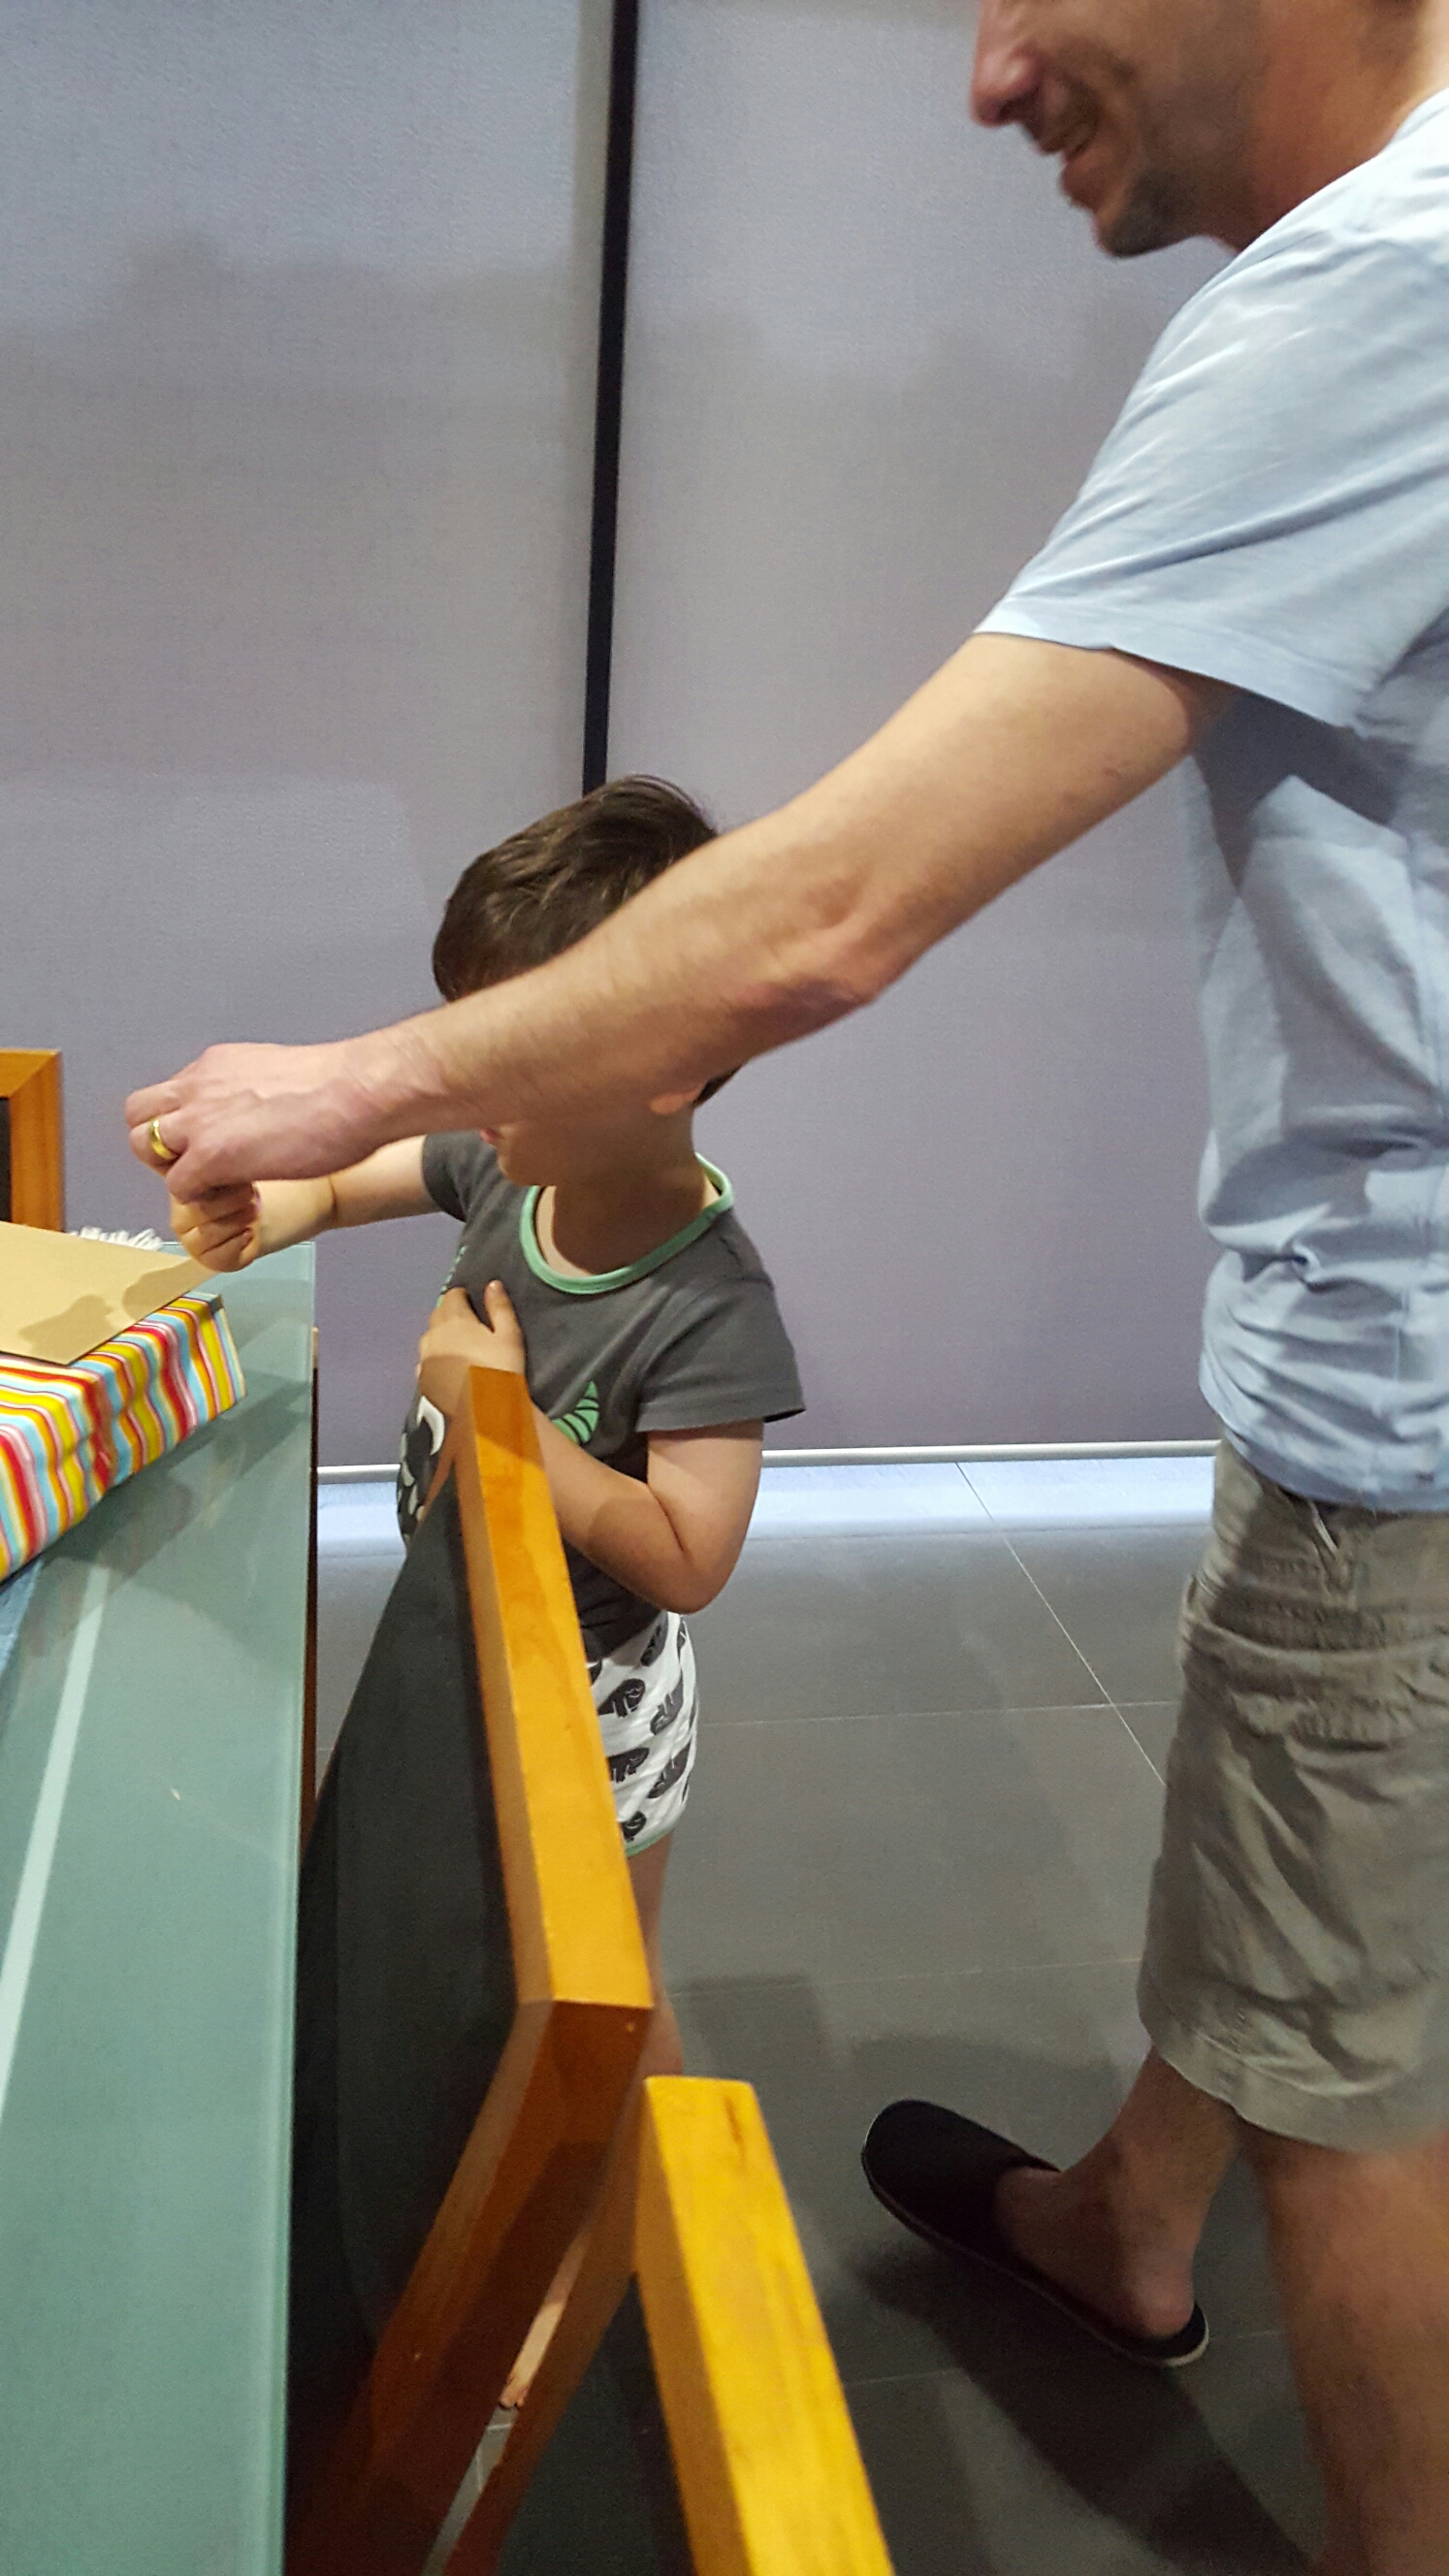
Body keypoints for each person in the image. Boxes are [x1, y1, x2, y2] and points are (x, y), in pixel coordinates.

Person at [130, 3, 1449, 2562]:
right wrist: (312, 1190)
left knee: (1338, 2064)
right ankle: (1122, 2216)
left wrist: (341, 1101)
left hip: (1390, 1395)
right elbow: (426, 1169)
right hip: (1355, 1368)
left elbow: (826, 915)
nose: (981, 74)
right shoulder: (510, 1183)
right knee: (1278, 1847)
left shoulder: (1368, 293)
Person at [161, 774, 804, 2400]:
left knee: (600, 1997)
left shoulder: (707, 1304)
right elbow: (351, 1181)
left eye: (514, 1049)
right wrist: (273, 1207)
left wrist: (496, 1415)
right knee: (492, 1973)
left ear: (665, 1073)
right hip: (473, 1646)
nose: (471, 1085)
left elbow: (693, 1557)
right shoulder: (517, 1161)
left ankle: (621, 2251)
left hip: (596, 1707)